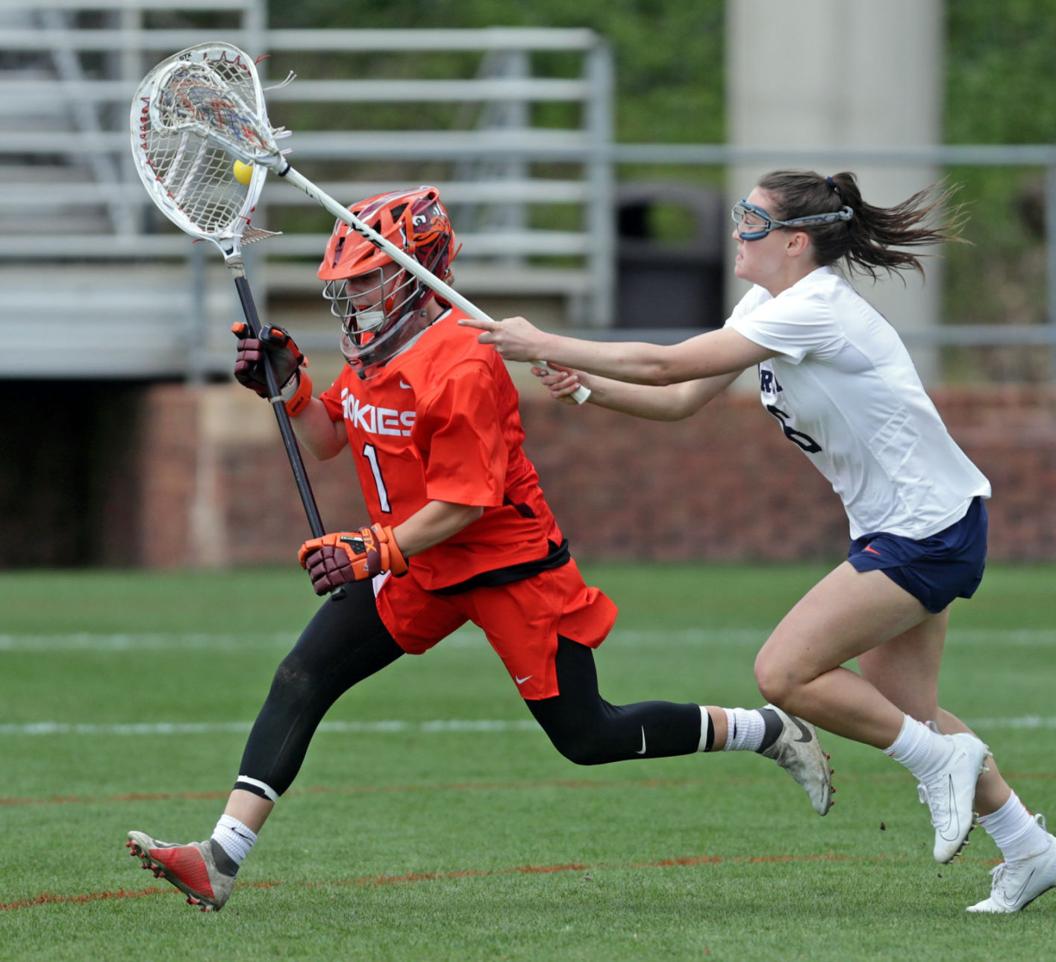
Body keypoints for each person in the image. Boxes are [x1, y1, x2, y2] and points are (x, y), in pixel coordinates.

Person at [125, 186, 832, 913]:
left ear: (416, 267)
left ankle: (767, 730)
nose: (354, 297)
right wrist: (291, 390)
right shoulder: (377, 349)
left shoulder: (461, 363)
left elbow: (466, 504)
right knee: (302, 676)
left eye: (367, 279)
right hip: (419, 564)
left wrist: (373, 549)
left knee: (588, 736)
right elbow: (334, 438)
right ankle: (222, 859)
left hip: (506, 567)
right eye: (348, 283)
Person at [460, 170, 1056, 914]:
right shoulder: (767, 303)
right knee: (906, 709)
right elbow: (683, 399)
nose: (735, 231)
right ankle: (1029, 848)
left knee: (785, 673)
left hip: (928, 527)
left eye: (750, 220)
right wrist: (586, 384)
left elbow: (667, 362)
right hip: (914, 523)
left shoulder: (815, 308)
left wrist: (543, 338)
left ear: (795, 241)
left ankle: (940, 764)